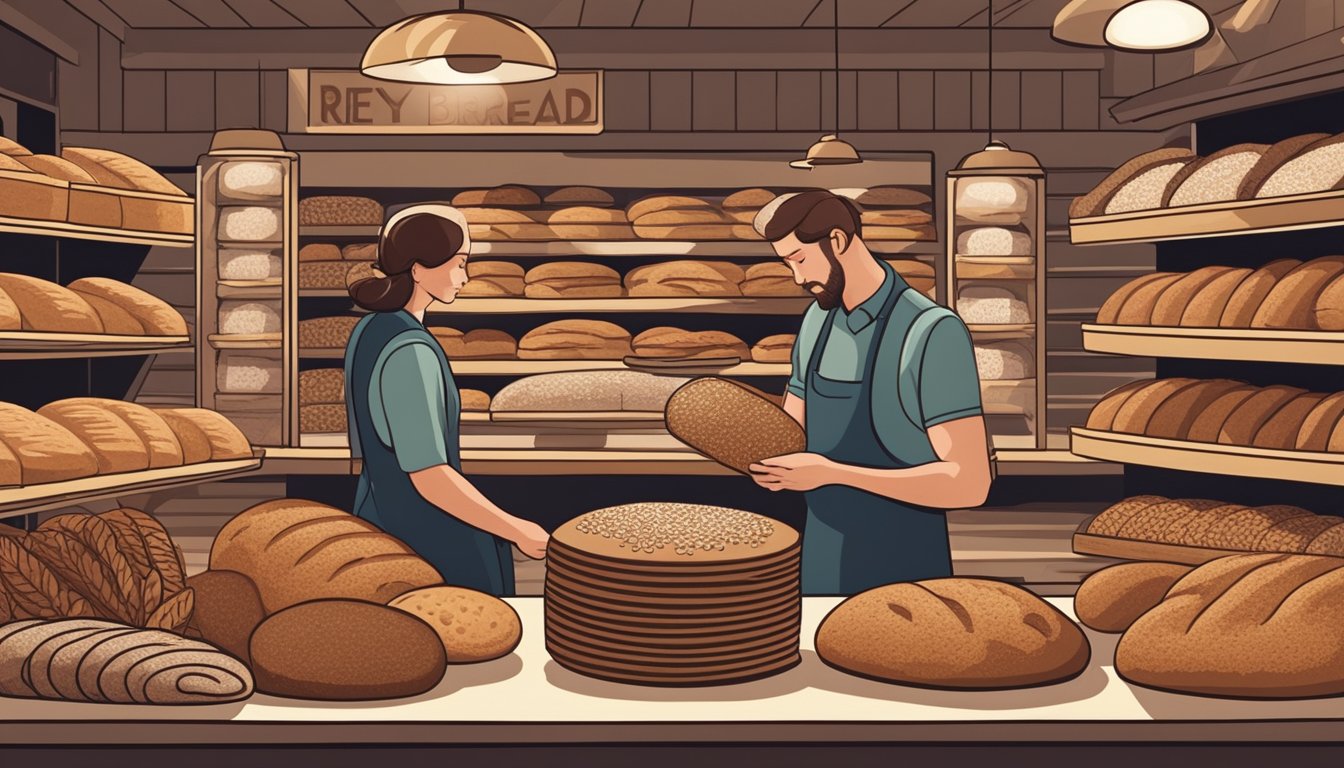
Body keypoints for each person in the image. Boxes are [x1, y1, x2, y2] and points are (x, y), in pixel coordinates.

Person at [747, 190, 993, 596]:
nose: (797, 278)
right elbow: (791, 433)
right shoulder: (817, 321)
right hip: (822, 565)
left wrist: (832, 474)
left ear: (838, 241)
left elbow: (969, 483)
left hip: (908, 572)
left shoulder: (931, 331)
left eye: (800, 260)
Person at [344, 204, 548, 596]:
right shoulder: (410, 351)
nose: (466, 277)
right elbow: (431, 477)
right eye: (459, 264)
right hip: (435, 546)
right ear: (419, 269)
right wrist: (516, 529)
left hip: (379, 531)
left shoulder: (369, 330)